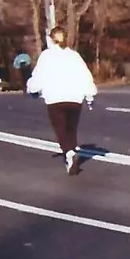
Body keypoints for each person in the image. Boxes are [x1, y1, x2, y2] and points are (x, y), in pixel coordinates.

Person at [26, 26, 98, 176]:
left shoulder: (46, 56)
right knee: (71, 129)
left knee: (60, 129)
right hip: (75, 98)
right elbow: (85, 76)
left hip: (55, 98)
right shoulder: (74, 56)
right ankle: (71, 152)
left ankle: (69, 153)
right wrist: (90, 95)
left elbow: (38, 77)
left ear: (51, 39)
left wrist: (32, 89)